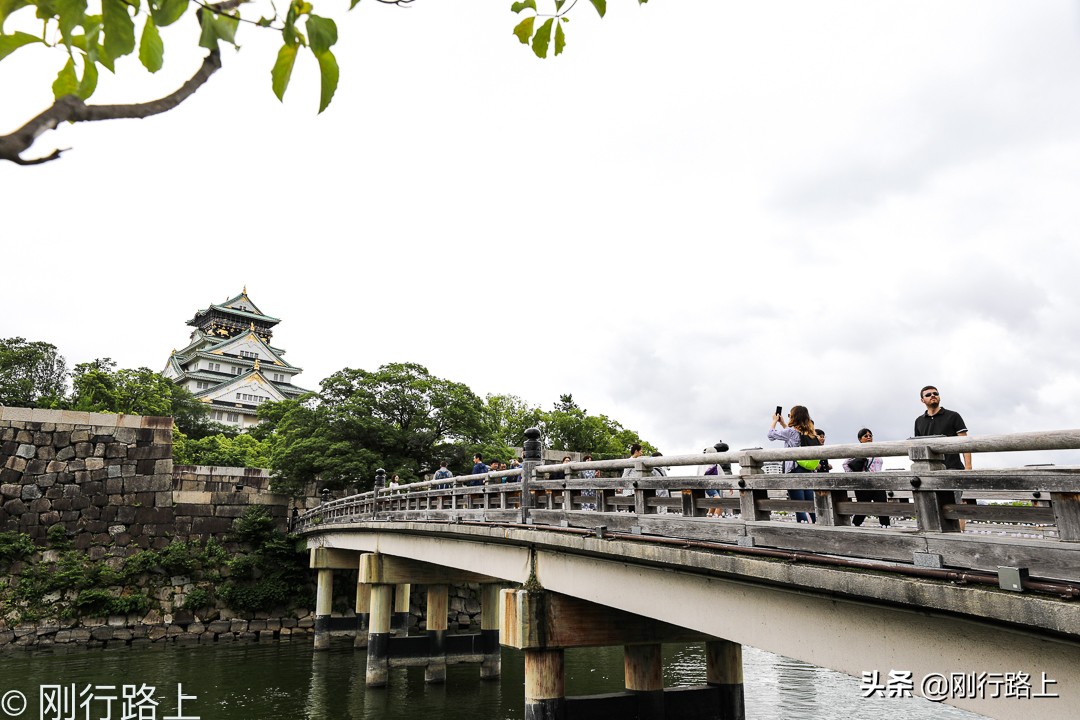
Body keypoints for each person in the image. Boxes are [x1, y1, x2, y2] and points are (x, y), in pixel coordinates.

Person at [914, 385, 971, 529]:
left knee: (955, 506)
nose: (933, 395)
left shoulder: (953, 416)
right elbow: (918, 446)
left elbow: (964, 442)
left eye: (935, 393)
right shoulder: (919, 421)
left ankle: (960, 537)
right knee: (933, 507)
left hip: (953, 468)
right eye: (928, 395)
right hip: (930, 472)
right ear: (922, 400)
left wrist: (968, 468)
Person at [768, 406, 819, 523]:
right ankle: (817, 527)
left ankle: (803, 532)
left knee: (799, 506)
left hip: (795, 471)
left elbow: (770, 435)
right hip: (808, 471)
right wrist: (783, 424)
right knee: (811, 506)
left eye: (790, 415)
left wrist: (774, 421)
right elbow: (793, 437)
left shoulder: (791, 432)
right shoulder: (811, 433)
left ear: (794, 417)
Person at [843, 428, 889, 527]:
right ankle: (855, 524)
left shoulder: (876, 450)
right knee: (863, 506)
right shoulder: (856, 451)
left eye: (870, 435)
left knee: (882, 505)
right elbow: (845, 464)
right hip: (863, 483)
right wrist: (855, 475)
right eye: (865, 436)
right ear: (860, 439)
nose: (868, 437)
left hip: (878, 482)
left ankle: (885, 525)